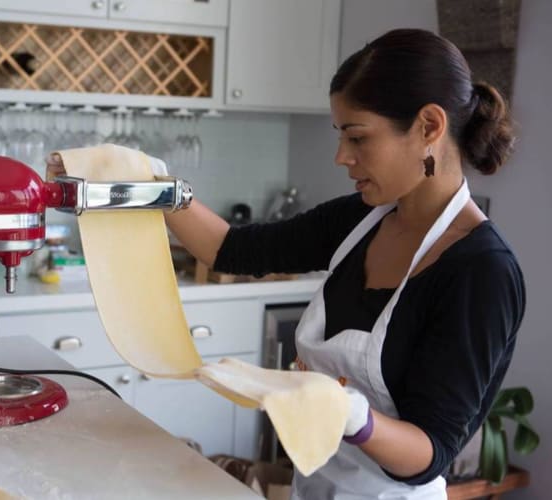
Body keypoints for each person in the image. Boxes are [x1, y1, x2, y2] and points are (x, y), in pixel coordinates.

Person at [48, 28, 525, 500]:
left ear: (428, 127)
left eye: (358, 137)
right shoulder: (360, 219)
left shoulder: (481, 271)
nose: (342, 157)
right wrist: (155, 184)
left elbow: (428, 455)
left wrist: (348, 413)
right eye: (341, 136)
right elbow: (231, 249)